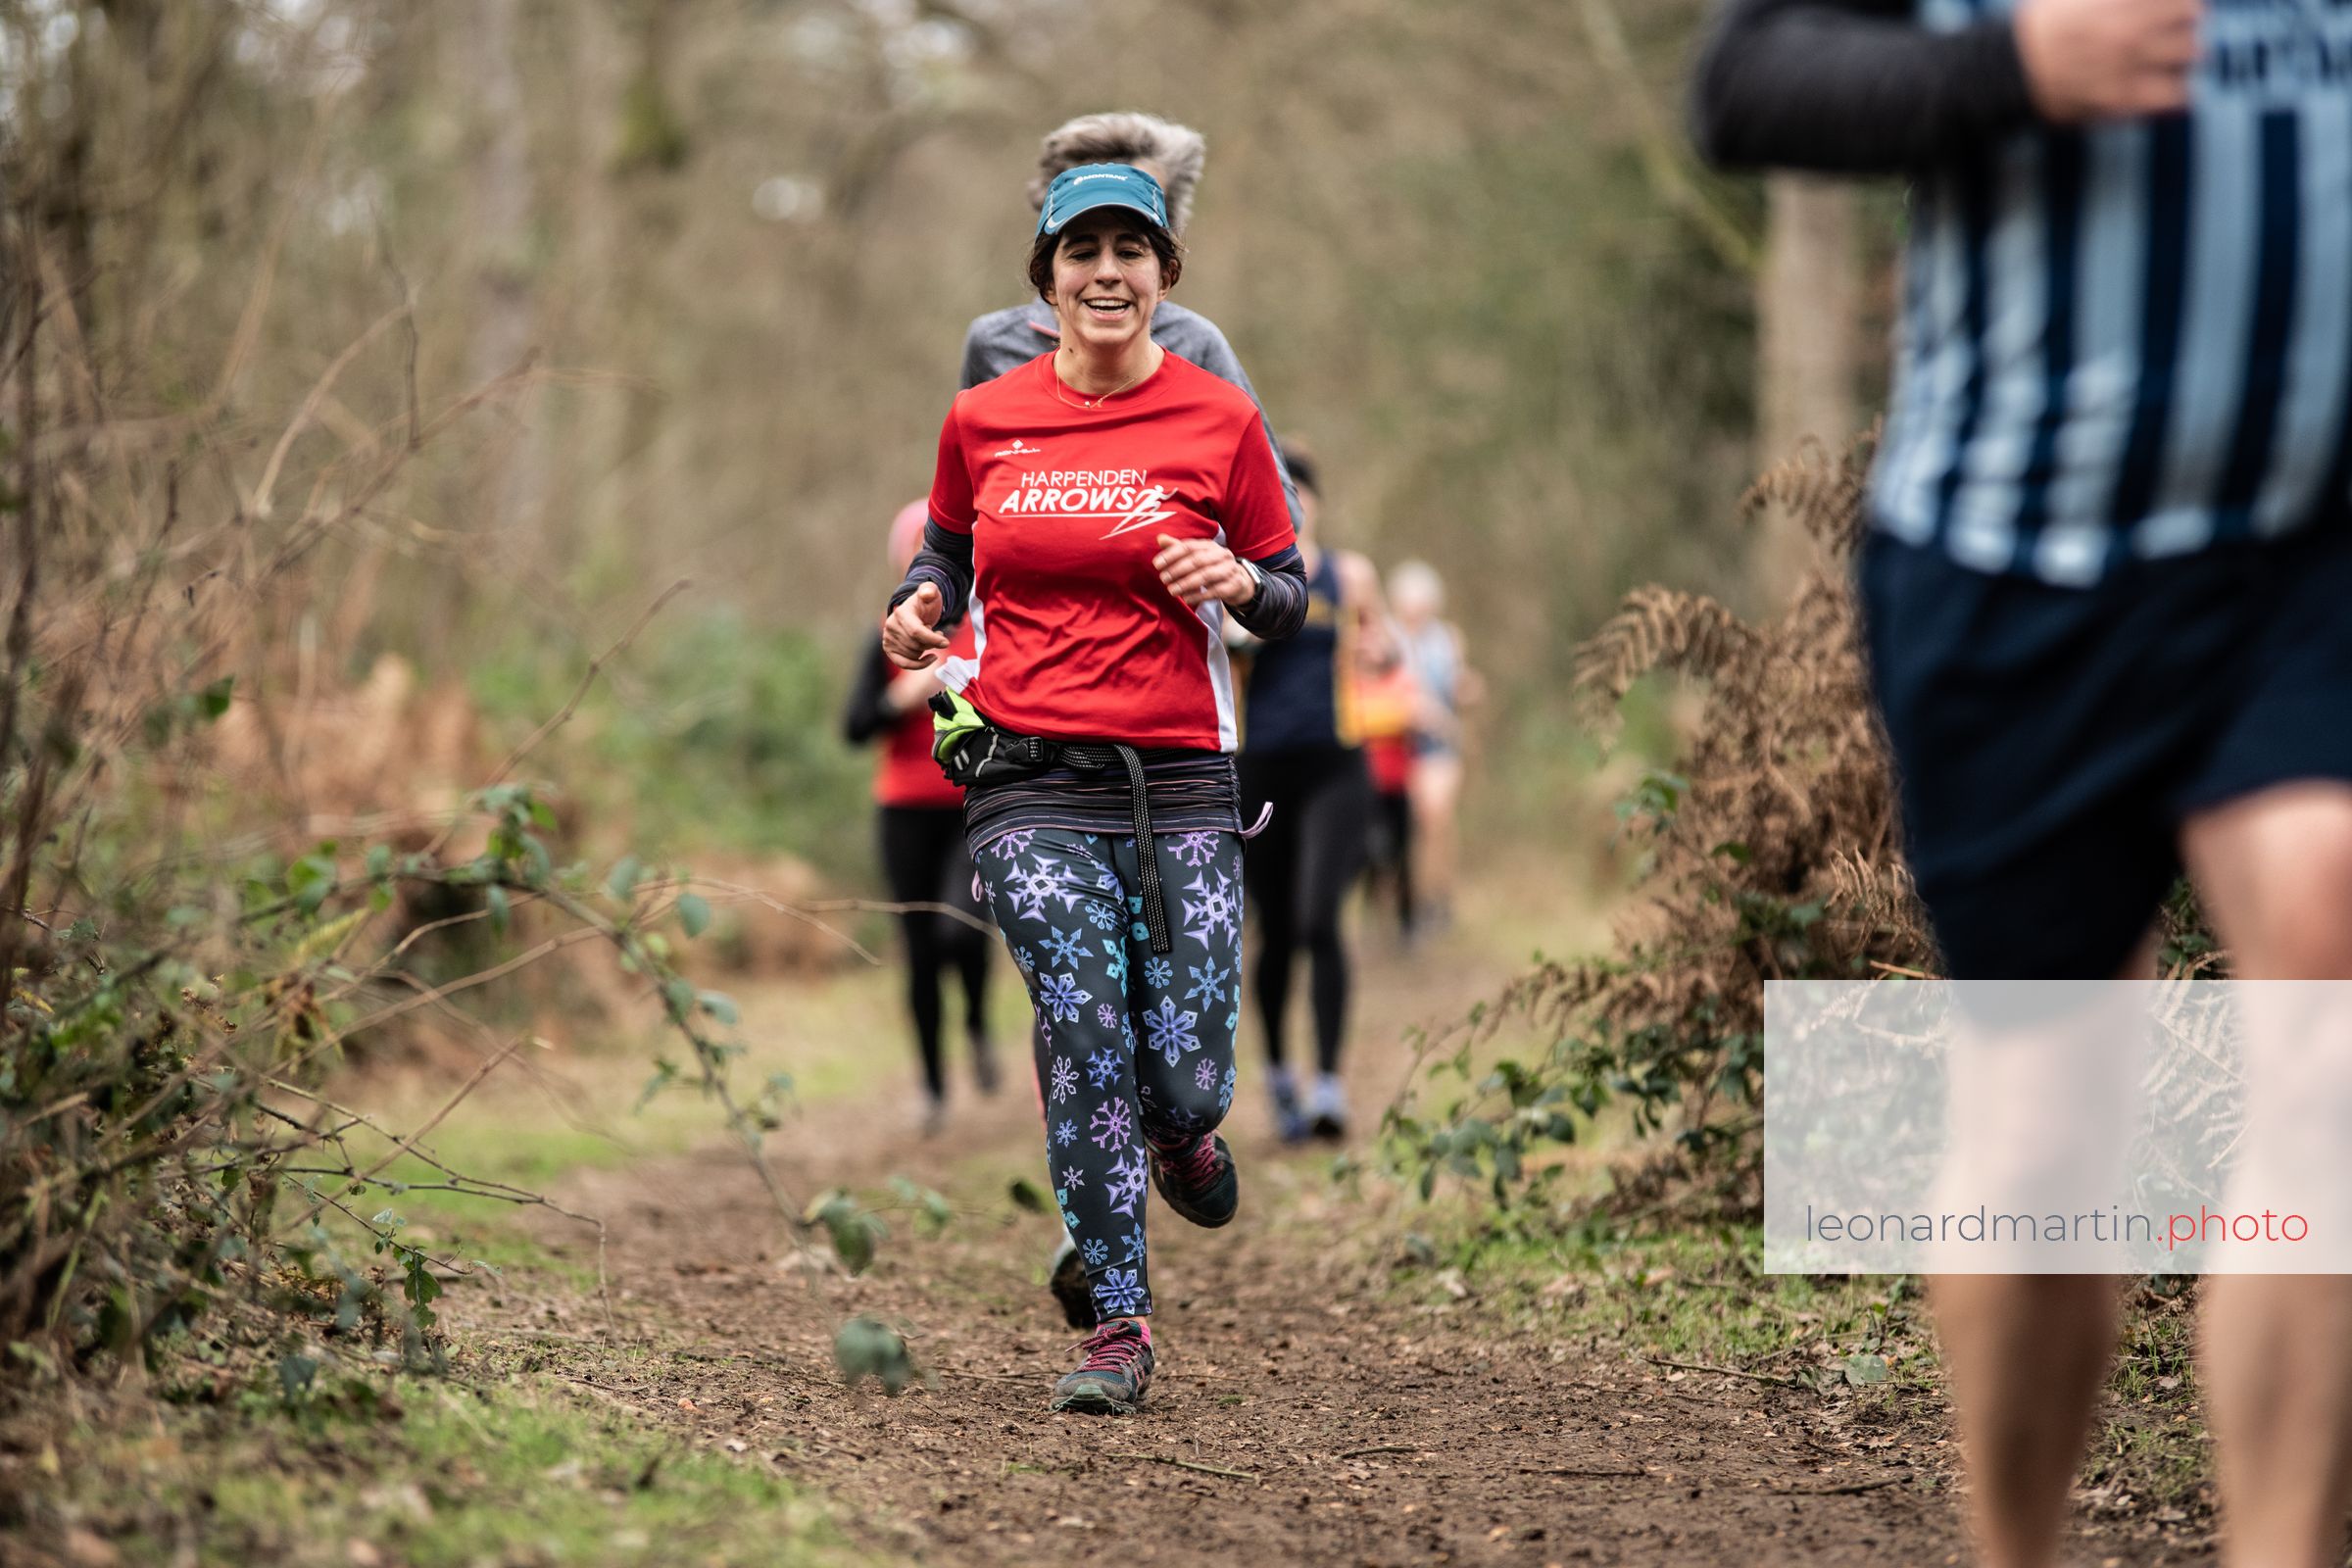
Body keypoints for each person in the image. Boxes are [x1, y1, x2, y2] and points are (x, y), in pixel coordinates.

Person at [1696, 2, 2352, 1565]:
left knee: (2327, 955)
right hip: (2018, 564)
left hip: (2303, 552)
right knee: (2051, 1118)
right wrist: (2008, 69)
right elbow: (1749, 81)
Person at [883, 163, 1307, 1413]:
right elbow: (947, 549)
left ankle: (1181, 1136)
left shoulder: (1220, 419)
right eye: (1083, 251)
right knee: (1081, 1020)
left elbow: (1289, 591)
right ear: (1048, 277)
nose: (1107, 271)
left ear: (1165, 274)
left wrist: (1239, 582)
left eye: (1132, 250)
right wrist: (920, 604)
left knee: (1187, 1077)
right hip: (1027, 777)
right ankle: (1118, 1323)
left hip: (1179, 776)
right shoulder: (985, 417)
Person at [1234, 443, 1383, 1141]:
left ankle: (1328, 1085)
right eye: (1276, 496)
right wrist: (1245, 623)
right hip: (1259, 768)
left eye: (1298, 495)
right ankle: (1277, 1076)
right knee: (1277, 931)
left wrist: (1382, 652)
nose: (1290, 508)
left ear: (1315, 503)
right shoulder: (1237, 578)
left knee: (1320, 918)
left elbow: (1386, 647)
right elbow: (1218, 651)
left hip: (1335, 765)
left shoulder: (1350, 576)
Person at [841, 502, 999, 1135]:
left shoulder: (986, 631)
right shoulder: (887, 639)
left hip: (973, 807)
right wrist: (901, 697)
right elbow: (855, 727)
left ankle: (978, 1024)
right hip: (903, 811)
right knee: (921, 951)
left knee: (962, 930)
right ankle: (933, 1087)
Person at [1390, 560, 1476, 935]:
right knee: (1401, 829)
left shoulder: (1447, 639)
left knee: (1435, 818)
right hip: (1395, 746)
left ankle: (1438, 896)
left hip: (1439, 745)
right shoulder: (1387, 638)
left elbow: (1459, 685)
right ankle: (1403, 900)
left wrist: (1468, 690)